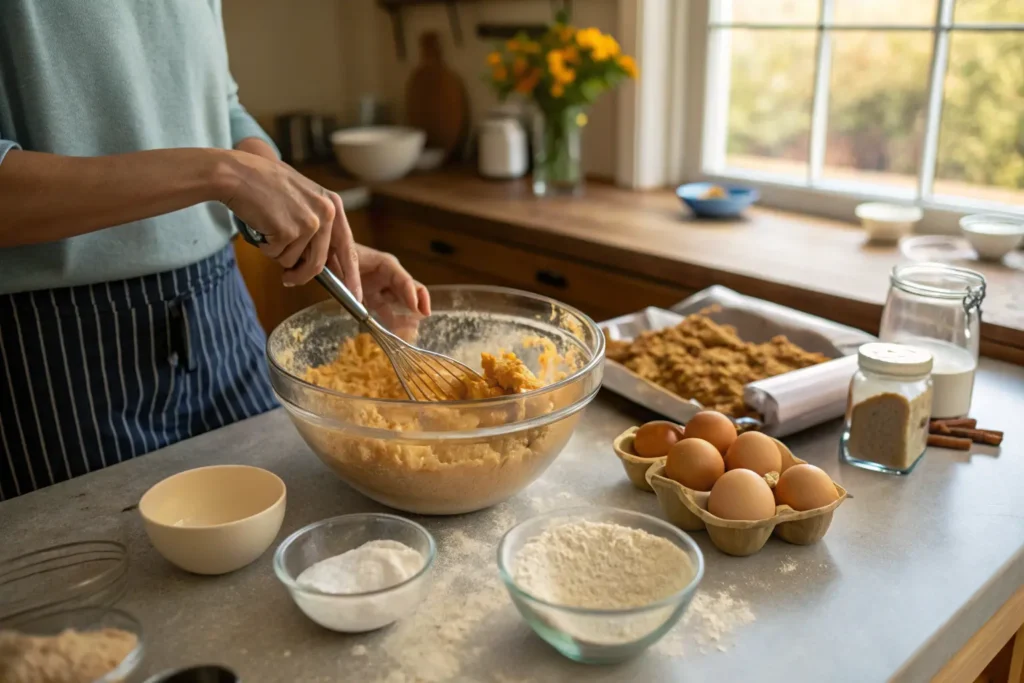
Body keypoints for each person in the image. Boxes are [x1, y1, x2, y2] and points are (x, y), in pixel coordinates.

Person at [0, 0, 430, 500]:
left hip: (222, 312)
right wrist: (223, 174)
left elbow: (217, 105)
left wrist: (296, 219)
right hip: (56, 356)